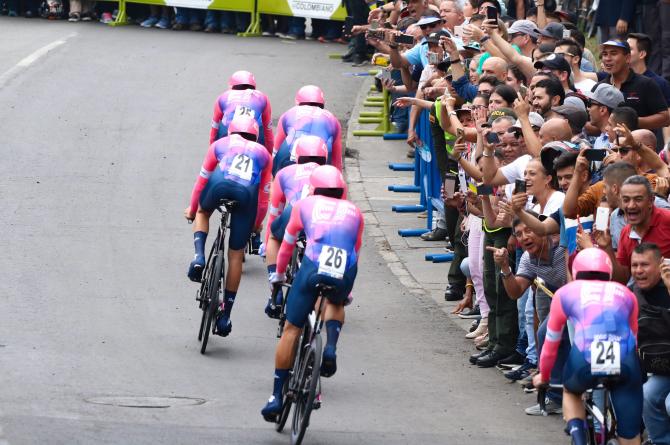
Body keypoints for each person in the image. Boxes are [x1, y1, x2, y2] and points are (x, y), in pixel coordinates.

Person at [261, 166, 364, 421]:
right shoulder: (355, 212)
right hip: (344, 270)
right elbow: (355, 251)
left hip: (312, 266)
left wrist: (279, 275)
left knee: (291, 330)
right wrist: (346, 290)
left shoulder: (305, 205)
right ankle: (330, 347)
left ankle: (276, 397)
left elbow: (286, 246)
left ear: (313, 188)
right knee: (336, 302)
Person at [533, 248, 643, 445]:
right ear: (608, 272)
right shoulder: (627, 294)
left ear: (575, 272)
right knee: (630, 436)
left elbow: (551, 343)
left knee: (571, 392)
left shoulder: (565, 293)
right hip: (625, 360)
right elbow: (634, 340)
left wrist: (544, 375)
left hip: (585, 357)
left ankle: (578, 436)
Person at [184, 115, 272, 336]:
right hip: (246, 195)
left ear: (231, 131)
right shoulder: (263, 153)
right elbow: (263, 197)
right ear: (256, 136)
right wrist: (257, 224)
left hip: (218, 186)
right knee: (235, 255)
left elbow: (201, 179)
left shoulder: (220, 144)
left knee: (204, 213)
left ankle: (199, 257)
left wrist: (194, 208)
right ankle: (226, 316)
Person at [263, 135, 328, 318]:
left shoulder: (286, 173)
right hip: (321, 220)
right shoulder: (332, 174)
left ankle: (275, 288)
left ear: (296, 156)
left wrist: (268, 239)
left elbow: (274, 213)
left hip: (294, 214)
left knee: (276, 238)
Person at [628, 244, 670, 445]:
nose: (638, 270)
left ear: (661, 264)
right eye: (634, 265)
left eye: (644, 265)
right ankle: (659, 441)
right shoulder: (631, 293)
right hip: (662, 368)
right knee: (647, 395)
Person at [273, 85, 342, 176]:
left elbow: (276, 148)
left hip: (290, 155)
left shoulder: (288, 113)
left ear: (297, 102)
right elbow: (337, 160)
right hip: (320, 156)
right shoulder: (333, 119)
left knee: (279, 179)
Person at [209, 71, 274, 152]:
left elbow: (214, 128)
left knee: (222, 124)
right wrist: (268, 156)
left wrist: (212, 150)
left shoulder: (223, 97)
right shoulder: (262, 97)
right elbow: (268, 133)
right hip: (253, 133)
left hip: (228, 133)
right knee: (260, 123)